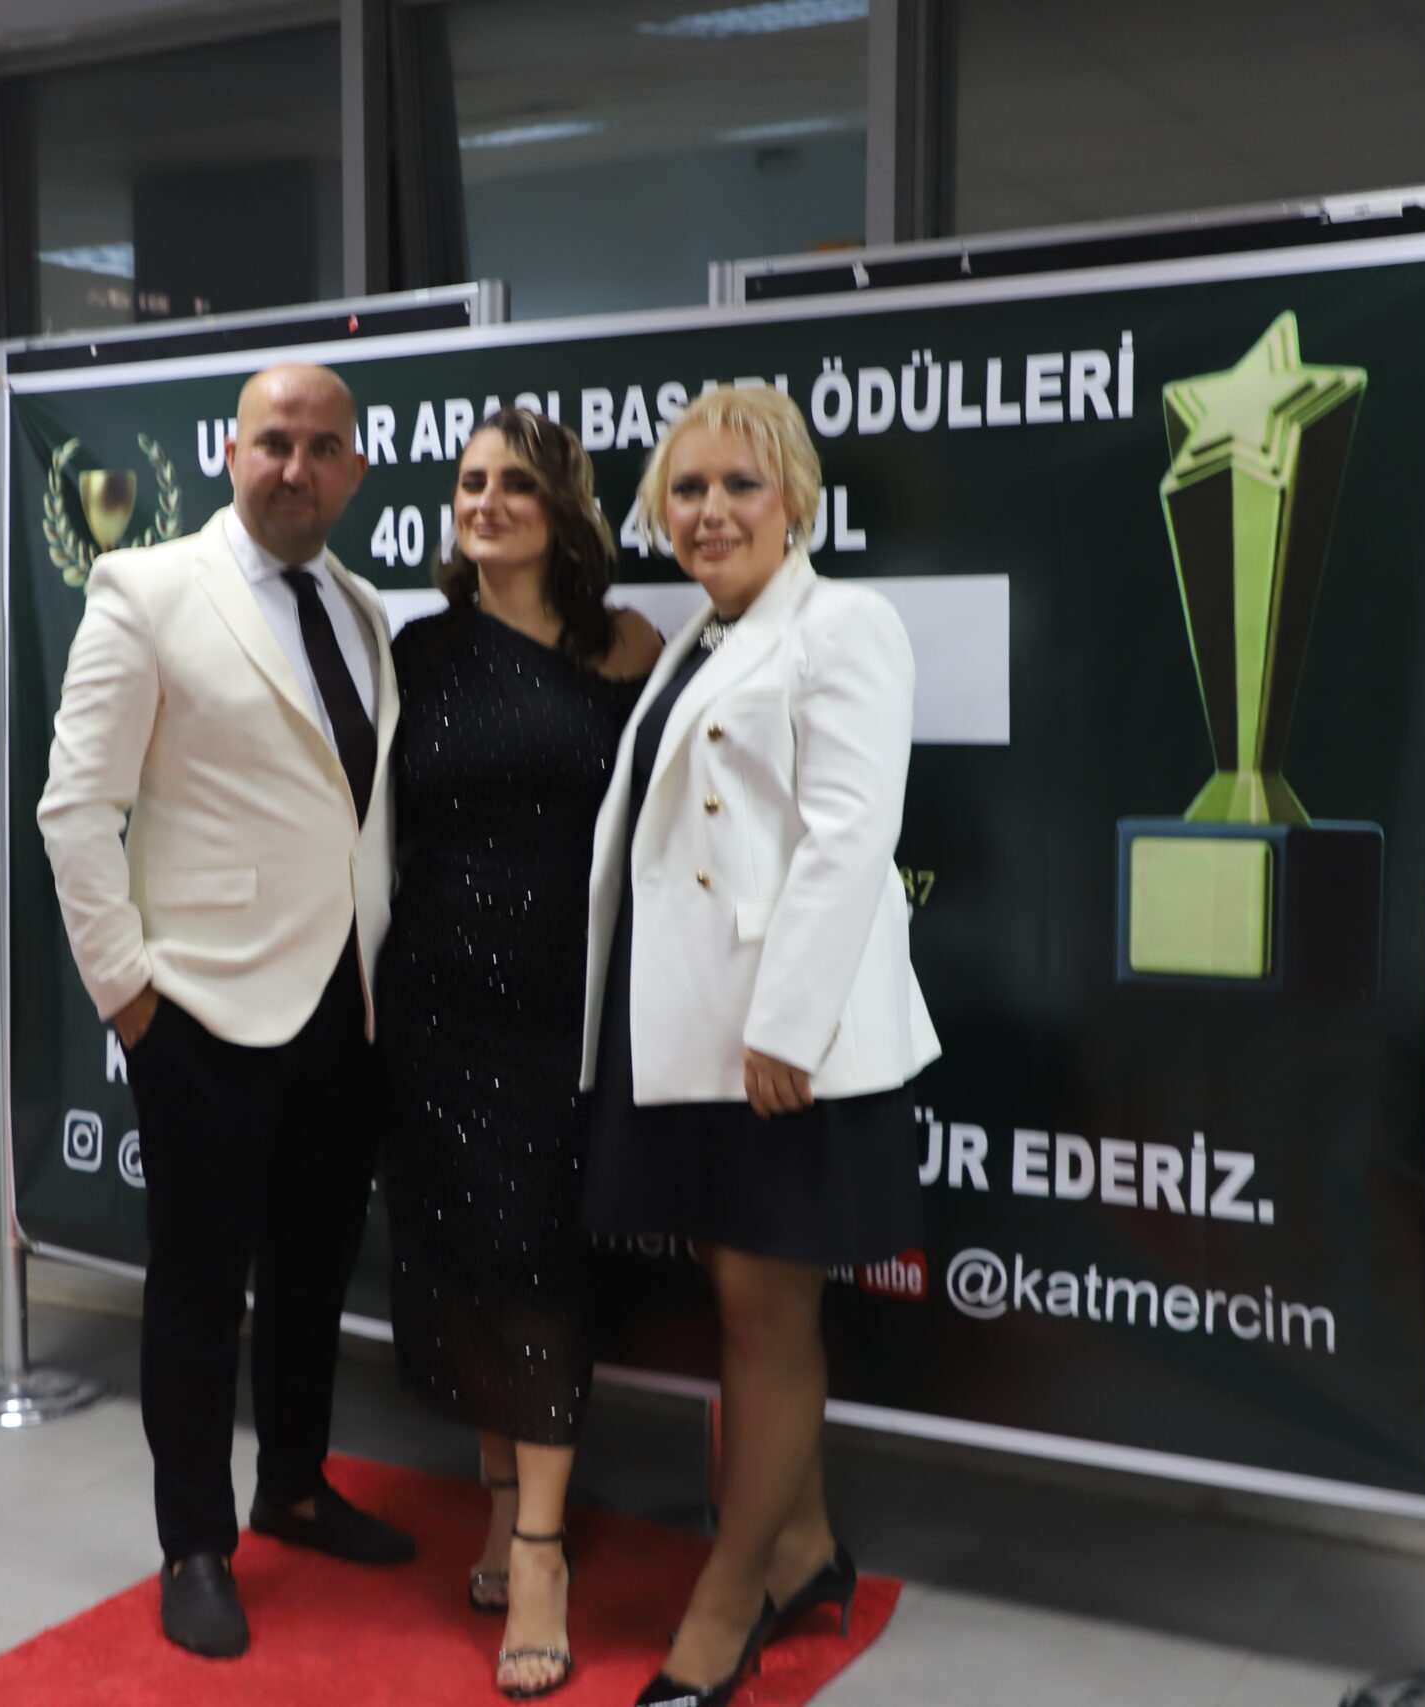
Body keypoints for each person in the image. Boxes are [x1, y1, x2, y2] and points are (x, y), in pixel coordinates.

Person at [38, 363, 414, 1660]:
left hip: (344, 1006)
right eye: (273, 443)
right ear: (231, 452)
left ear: (353, 469)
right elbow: (75, 811)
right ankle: (193, 1541)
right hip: (197, 1008)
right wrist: (128, 995)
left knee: (312, 1274)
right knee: (201, 1291)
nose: (294, 467)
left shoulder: (362, 608)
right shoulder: (145, 590)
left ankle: (294, 1487)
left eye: (320, 447)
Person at [580, 386, 939, 1707]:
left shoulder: (844, 623)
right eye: (687, 489)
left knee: (768, 1322)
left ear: (794, 497)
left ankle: (726, 1604)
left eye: (741, 484)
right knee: (742, 1306)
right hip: (699, 1033)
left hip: (787, 1043)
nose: (712, 511)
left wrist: (784, 1026)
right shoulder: (696, 636)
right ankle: (803, 1551)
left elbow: (851, 837)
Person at [380, 409, 662, 1699]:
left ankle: (541, 1553)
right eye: (468, 482)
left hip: (564, 1008)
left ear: (562, 510)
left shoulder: (627, 645)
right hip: (433, 1005)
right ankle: (500, 1503)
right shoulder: (419, 653)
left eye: (514, 484)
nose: (484, 502)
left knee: (539, 1259)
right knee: (464, 1259)